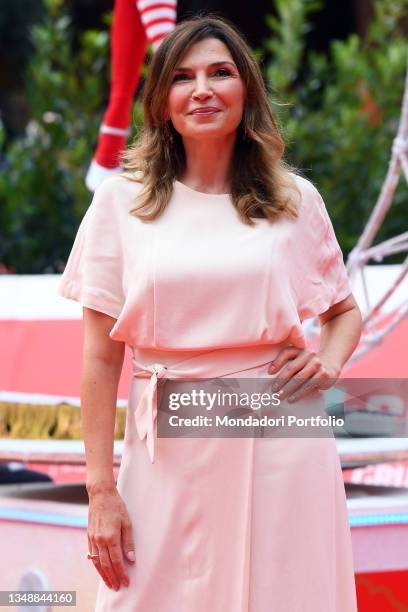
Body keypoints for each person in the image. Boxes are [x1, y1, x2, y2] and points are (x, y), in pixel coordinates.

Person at [58, 14, 362, 612]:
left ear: (244, 89)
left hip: (283, 434)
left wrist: (327, 363)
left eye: (220, 73)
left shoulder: (293, 201)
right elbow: (99, 355)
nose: (202, 89)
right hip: (167, 444)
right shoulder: (121, 203)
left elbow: (343, 311)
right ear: (162, 100)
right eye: (183, 77)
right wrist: (101, 490)